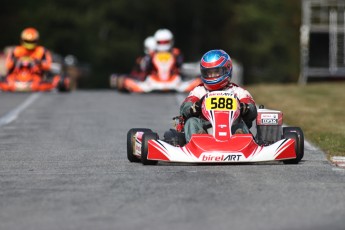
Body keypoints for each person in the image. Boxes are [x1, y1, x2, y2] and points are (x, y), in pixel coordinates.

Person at [180, 49, 257, 142]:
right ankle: (200, 141)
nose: (212, 75)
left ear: (227, 69)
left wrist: (245, 108)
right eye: (208, 72)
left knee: (241, 123)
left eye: (216, 72)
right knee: (191, 122)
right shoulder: (199, 91)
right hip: (205, 129)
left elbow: (252, 110)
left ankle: (240, 140)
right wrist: (193, 108)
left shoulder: (238, 91)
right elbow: (185, 107)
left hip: (232, 130)